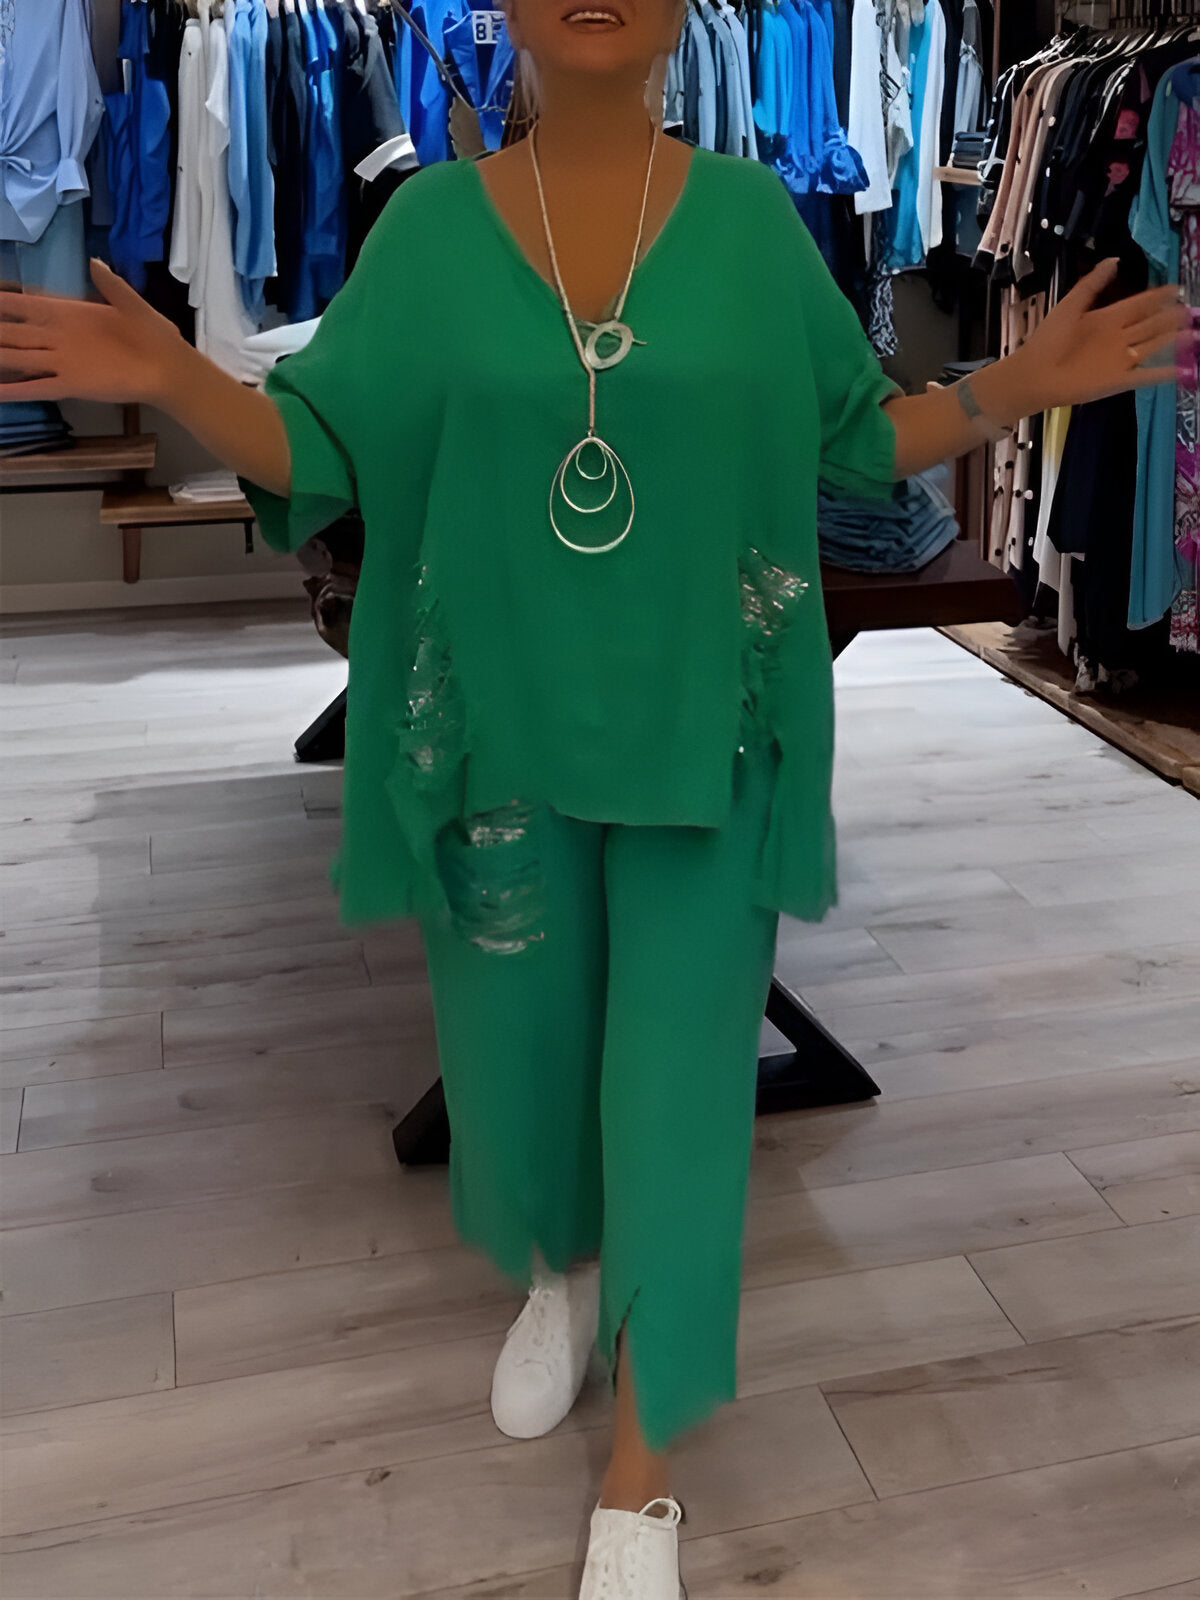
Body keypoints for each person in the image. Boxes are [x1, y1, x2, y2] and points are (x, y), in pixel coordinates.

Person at [0, 1, 1188, 1593]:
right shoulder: (433, 232)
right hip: (497, 732)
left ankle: (643, 1460)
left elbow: (855, 439)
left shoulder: (752, 225)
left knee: (681, 1085)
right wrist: (175, 380)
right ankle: (560, 1271)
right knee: (516, 1047)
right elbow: (320, 446)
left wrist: (1014, 383)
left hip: (709, 728)